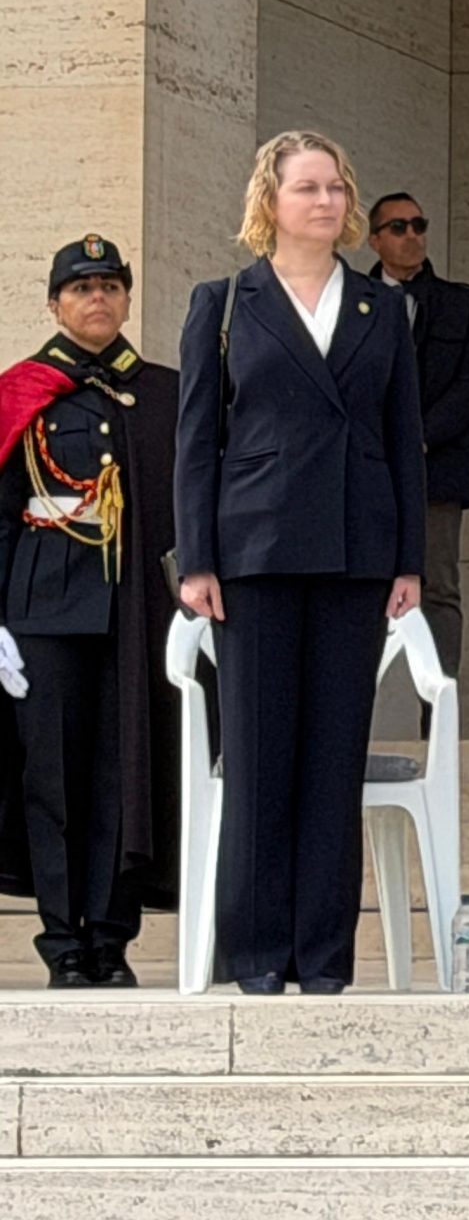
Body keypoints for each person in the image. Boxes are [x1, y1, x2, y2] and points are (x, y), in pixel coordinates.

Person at [174, 131, 427, 995]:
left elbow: (405, 442)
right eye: (307, 188)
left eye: (336, 189)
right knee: (256, 758)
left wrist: (408, 561)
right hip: (254, 553)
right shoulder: (225, 302)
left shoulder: (379, 308)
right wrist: (197, 558)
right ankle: (256, 955)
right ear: (270, 203)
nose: (325, 202)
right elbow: (197, 441)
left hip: (356, 553)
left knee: (332, 760)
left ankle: (324, 957)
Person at [0, 237, 182, 986]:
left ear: (128, 299)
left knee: (122, 777)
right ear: (54, 303)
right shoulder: (23, 391)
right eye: (81, 289)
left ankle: (111, 937)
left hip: (138, 611)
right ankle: (62, 941)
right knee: (53, 779)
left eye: (110, 286)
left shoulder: (165, 393)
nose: (97, 299)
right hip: (45, 609)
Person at [365, 193, 469, 690]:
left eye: (419, 224)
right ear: (375, 239)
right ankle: (347, 723)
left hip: (438, 466)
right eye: (398, 227)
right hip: (366, 467)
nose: (412, 235)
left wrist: (417, 439)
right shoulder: (351, 298)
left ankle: (438, 716)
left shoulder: (462, 302)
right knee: (359, 587)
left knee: (438, 588)